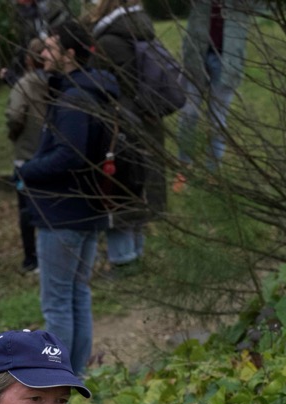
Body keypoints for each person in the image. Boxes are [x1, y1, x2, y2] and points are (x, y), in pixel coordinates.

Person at [17, 21, 120, 377]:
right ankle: (73, 380)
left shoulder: (75, 99)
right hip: (85, 210)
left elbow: (70, 155)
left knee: (59, 302)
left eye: (50, 47)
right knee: (77, 295)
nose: (43, 54)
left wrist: (27, 171)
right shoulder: (91, 92)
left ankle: (57, 381)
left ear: (69, 54)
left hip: (65, 212)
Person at [87, 0, 166, 272]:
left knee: (117, 192)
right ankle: (137, 253)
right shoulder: (142, 31)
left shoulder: (108, 42)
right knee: (139, 189)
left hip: (119, 128)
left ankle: (124, 261)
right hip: (146, 122)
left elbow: (96, 86)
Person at [177, 0, 253, 181]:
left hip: (228, 59)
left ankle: (212, 174)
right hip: (196, 54)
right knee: (188, 114)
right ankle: (183, 169)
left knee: (217, 120)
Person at [4, 37, 49, 275]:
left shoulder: (24, 85)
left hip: (27, 153)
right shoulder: (59, 83)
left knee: (26, 208)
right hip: (54, 153)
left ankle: (31, 258)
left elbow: (15, 115)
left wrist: (14, 134)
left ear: (29, 60)